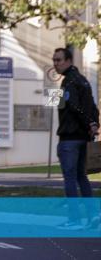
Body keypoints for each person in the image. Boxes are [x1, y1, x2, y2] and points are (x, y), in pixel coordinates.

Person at [52, 48, 99, 228]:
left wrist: (89, 123)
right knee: (82, 177)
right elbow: (93, 107)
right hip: (84, 138)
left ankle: (74, 218)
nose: (55, 63)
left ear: (69, 60)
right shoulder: (84, 81)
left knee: (70, 178)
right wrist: (93, 123)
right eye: (54, 60)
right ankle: (93, 215)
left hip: (70, 138)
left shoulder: (69, 81)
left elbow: (73, 107)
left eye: (59, 60)